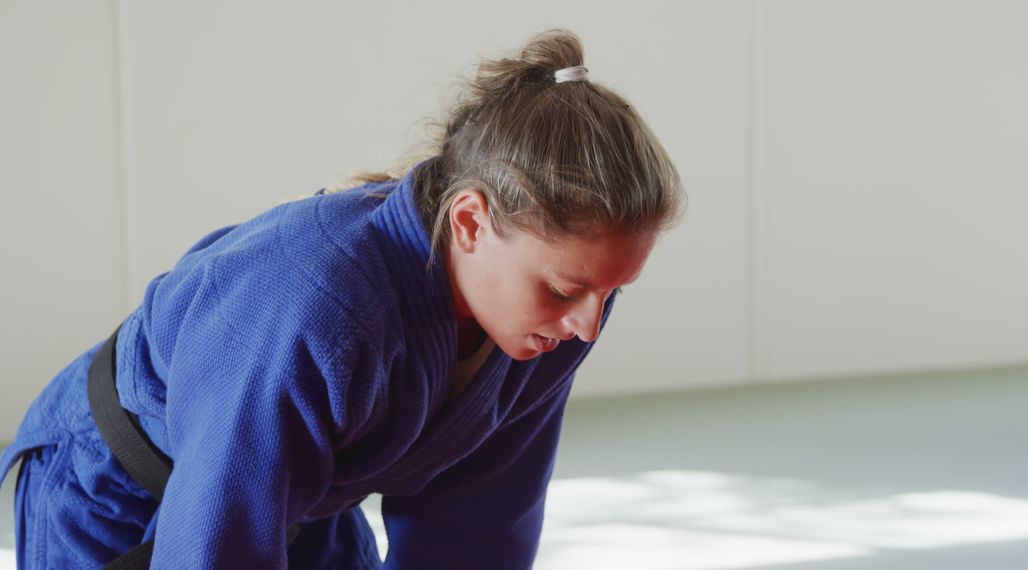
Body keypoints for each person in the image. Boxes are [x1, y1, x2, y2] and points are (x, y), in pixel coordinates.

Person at [0, 28, 683, 569]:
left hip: (305, 500)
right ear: (471, 222)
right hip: (120, 492)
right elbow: (216, 538)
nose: (588, 324)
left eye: (612, 292)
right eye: (569, 289)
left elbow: (476, 531)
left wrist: (573, 296)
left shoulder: (548, 318)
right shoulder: (312, 306)